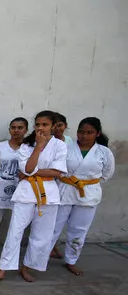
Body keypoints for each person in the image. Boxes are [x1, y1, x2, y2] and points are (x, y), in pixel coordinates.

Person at [0, 111, 67, 284]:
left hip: (48, 194)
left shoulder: (60, 146)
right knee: (14, 232)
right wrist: (38, 147)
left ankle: (26, 267)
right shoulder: (26, 145)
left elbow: (57, 172)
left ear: (53, 126)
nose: (40, 128)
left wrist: (32, 172)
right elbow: (27, 169)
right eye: (38, 124)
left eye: (45, 125)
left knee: (41, 235)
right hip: (25, 193)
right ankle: (3, 269)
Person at [50, 117, 115, 275]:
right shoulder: (66, 148)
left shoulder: (104, 152)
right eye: (81, 132)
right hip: (65, 189)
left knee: (79, 230)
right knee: (53, 226)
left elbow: (107, 173)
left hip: (88, 193)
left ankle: (71, 260)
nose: (84, 136)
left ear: (97, 133)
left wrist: (87, 183)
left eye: (89, 132)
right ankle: (39, 258)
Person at [0, 117, 28, 256]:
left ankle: (12, 246)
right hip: (0, 187)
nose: (16, 130)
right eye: (13, 127)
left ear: (26, 130)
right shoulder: (0, 147)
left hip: (21, 188)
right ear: (9, 130)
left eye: (20, 128)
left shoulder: (30, 148)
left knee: (18, 219)